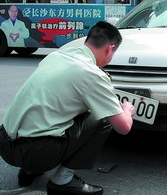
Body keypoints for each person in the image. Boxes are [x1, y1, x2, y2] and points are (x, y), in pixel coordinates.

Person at [0, 21, 136, 195]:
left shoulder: (56, 56)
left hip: (5, 144)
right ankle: (62, 180)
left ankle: (29, 171)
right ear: (109, 49)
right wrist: (127, 110)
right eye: (112, 54)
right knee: (102, 118)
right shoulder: (92, 73)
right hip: (36, 153)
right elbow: (123, 127)